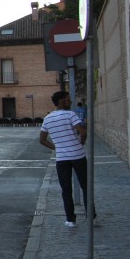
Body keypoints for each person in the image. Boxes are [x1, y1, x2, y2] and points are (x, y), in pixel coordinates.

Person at [39, 90, 90, 227]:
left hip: (61, 159)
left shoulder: (48, 118)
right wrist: (80, 143)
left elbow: (42, 140)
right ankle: (91, 217)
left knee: (66, 189)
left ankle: (70, 220)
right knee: (86, 186)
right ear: (61, 101)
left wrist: (57, 147)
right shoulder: (70, 114)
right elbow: (83, 132)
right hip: (78, 156)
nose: (70, 101)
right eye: (68, 99)